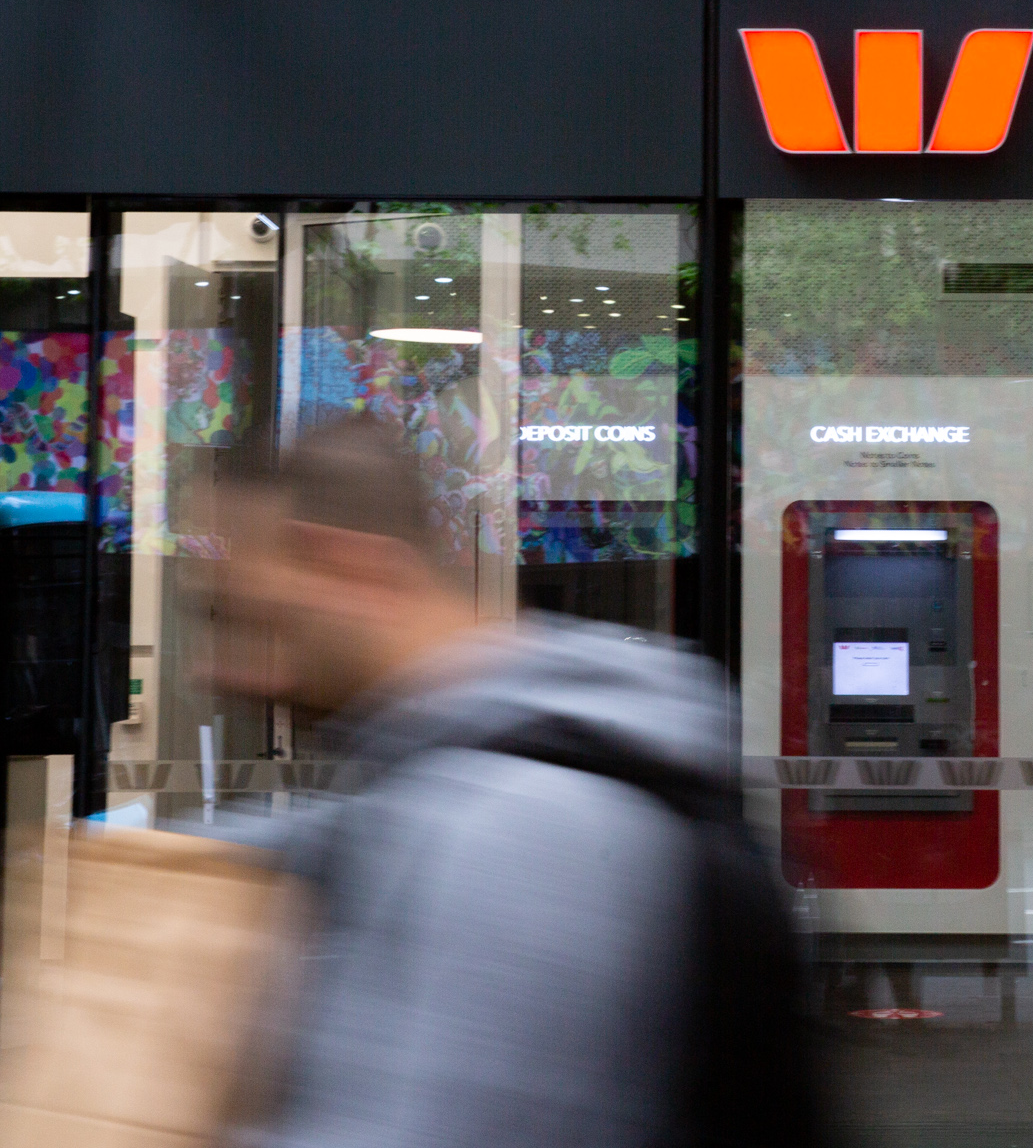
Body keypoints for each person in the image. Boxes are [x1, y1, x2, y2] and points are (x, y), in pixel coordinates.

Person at [210, 415, 819, 1148]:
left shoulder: (508, 826)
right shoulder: (438, 778)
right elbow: (299, 840)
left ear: (347, 569)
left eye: (246, 618)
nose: (223, 670)